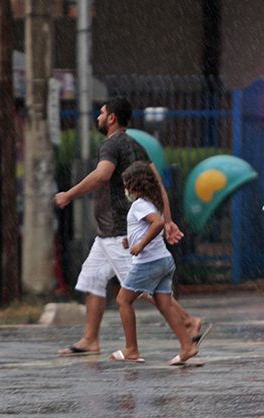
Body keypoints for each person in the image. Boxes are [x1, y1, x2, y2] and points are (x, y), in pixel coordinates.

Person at [54, 97, 203, 357]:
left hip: (119, 231)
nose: (98, 117)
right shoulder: (136, 145)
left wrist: (69, 194)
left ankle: (187, 322)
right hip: (108, 233)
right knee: (93, 278)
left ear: (112, 118)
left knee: (141, 289)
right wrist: (166, 219)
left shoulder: (110, 145)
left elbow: (101, 175)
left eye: (101, 113)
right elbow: (156, 183)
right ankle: (90, 339)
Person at [108, 161, 197, 364]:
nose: (125, 189)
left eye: (126, 184)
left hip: (148, 262)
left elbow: (157, 224)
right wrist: (130, 240)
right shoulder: (149, 203)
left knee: (123, 300)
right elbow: (147, 226)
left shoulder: (140, 205)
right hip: (164, 260)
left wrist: (140, 246)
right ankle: (187, 346)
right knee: (164, 304)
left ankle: (131, 349)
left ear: (134, 185)